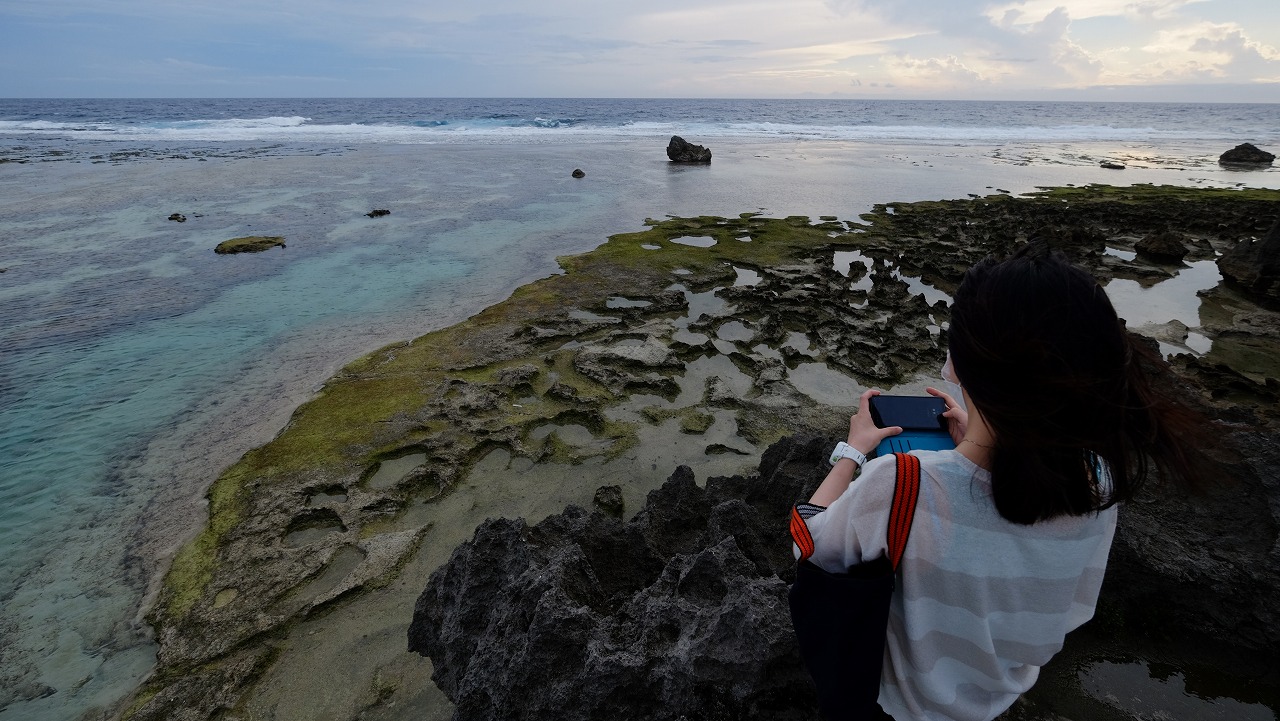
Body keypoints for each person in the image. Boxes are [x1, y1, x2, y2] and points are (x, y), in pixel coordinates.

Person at [794, 243, 1198, 721]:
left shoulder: (903, 483)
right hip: (997, 701)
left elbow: (808, 545)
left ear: (955, 364)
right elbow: (1069, 608)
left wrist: (851, 452)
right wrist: (989, 439)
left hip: (897, 709)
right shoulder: (1100, 481)